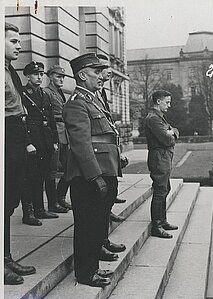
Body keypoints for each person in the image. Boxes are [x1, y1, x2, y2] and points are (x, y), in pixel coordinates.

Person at [63, 52, 122, 287]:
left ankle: (93, 268)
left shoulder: (93, 99)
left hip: (102, 170)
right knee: (87, 225)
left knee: (97, 223)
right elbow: (82, 144)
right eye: (96, 72)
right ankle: (86, 273)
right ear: (82, 75)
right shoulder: (77, 103)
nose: (101, 76)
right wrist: (96, 177)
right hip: (89, 175)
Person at [5, 22, 36, 285]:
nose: (19, 45)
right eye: (13, 40)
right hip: (6, 134)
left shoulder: (9, 71)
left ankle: (5, 258)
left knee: (8, 203)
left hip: (15, 134)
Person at [96, 54, 127, 260]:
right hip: (98, 160)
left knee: (107, 199)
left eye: (106, 67)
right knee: (97, 206)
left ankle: (103, 240)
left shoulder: (101, 93)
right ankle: (99, 243)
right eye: (102, 68)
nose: (107, 71)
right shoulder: (87, 97)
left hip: (108, 155)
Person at [21, 61, 59, 222]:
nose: (39, 77)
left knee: (41, 176)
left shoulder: (44, 94)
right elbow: (21, 121)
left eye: (41, 74)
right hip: (33, 140)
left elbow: (51, 119)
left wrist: (55, 140)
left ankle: (40, 209)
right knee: (29, 177)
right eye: (36, 74)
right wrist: (27, 142)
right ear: (28, 76)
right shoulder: (23, 93)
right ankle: (28, 212)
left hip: (45, 140)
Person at [145, 90, 179, 239]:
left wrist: (172, 132)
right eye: (167, 102)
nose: (169, 105)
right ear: (158, 101)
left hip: (163, 156)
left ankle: (162, 220)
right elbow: (167, 139)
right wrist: (171, 134)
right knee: (160, 189)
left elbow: (175, 131)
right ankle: (156, 226)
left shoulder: (159, 117)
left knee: (165, 188)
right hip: (159, 157)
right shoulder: (153, 118)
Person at [44, 65, 71, 213]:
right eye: (58, 76)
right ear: (51, 77)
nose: (61, 79)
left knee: (69, 168)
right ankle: (53, 203)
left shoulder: (60, 93)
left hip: (64, 135)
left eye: (63, 77)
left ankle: (60, 197)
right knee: (51, 171)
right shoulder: (46, 92)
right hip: (54, 134)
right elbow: (48, 115)